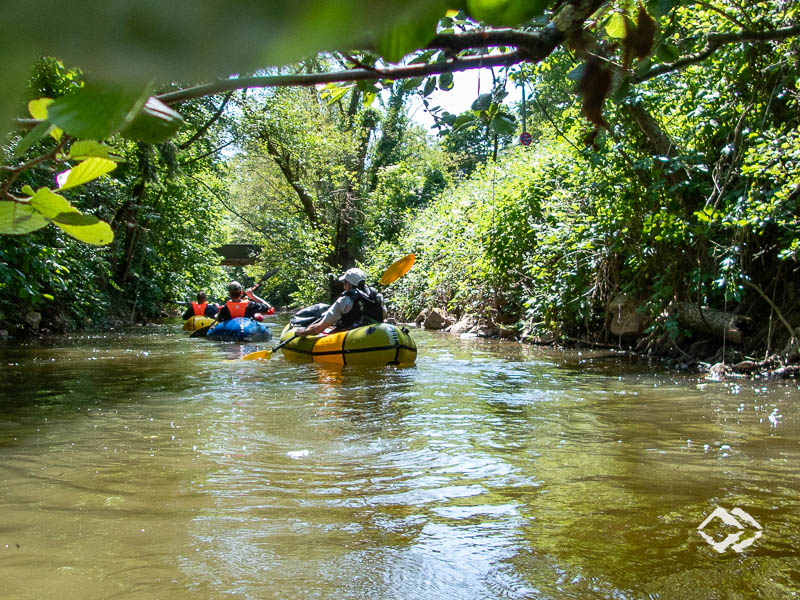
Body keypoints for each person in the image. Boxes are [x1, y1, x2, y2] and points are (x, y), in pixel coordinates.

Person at [295, 268, 386, 336]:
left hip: (352, 337)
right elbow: (383, 316)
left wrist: (302, 333)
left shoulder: (344, 301)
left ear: (348, 284)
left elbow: (318, 329)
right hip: (376, 333)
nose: (344, 286)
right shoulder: (378, 297)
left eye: (344, 283)